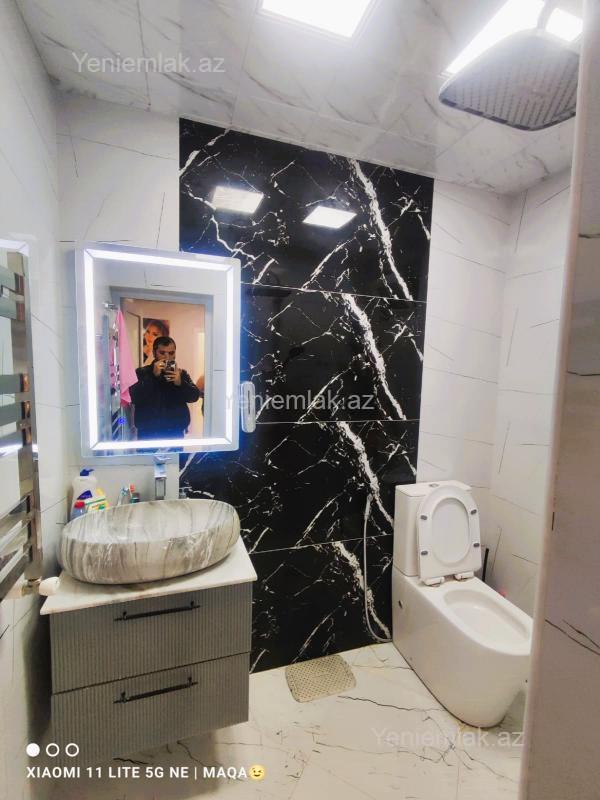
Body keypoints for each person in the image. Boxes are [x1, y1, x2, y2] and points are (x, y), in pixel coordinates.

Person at [130, 336, 202, 440]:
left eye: (171, 353)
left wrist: (180, 383)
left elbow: (194, 396)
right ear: (154, 353)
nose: (167, 357)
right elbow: (134, 397)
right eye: (162, 353)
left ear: (175, 353)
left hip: (175, 432)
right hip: (148, 433)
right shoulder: (141, 373)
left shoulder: (181, 374)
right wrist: (153, 376)